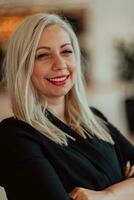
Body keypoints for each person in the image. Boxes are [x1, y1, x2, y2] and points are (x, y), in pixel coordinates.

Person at [0, 13, 134, 200]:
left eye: (66, 51)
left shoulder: (95, 119)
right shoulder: (14, 136)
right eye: (43, 55)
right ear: (23, 66)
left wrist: (108, 195)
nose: (60, 63)